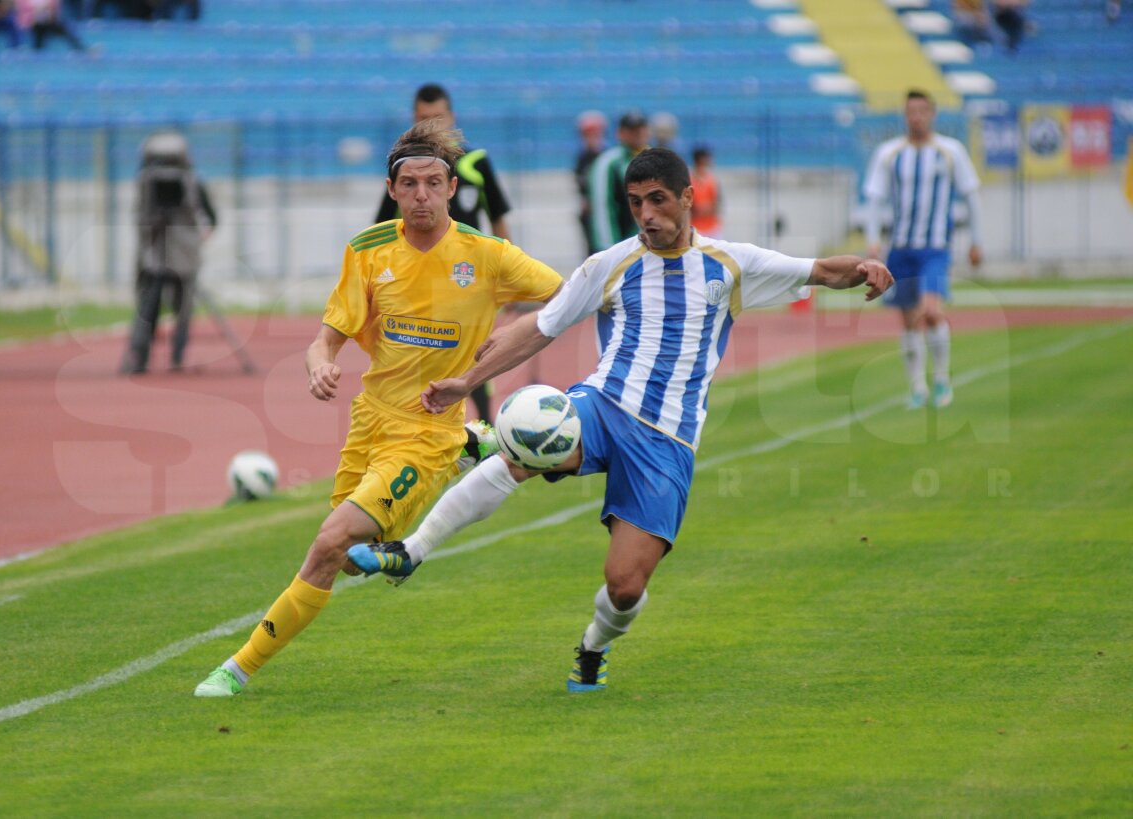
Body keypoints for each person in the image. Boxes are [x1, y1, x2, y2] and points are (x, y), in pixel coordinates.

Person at [348, 148, 893, 692]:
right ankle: (413, 549)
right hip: (603, 406)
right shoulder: (610, 265)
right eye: (635, 203)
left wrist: (866, 268)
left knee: (625, 586)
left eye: (657, 200)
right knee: (532, 435)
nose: (646, 214)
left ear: (687, 198)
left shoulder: (731, 264)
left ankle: (593, 646)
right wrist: (467, 382)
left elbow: (821, 271)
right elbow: (543, 325)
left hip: (667, 441)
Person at [193, 120, 562, 697]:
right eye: (409, 184)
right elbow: (326, 338)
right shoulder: (368, 250)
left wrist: (509, 337)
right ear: (392, 190)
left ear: (451, 187)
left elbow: (567, 296)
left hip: (426, 431)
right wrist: (319, 363)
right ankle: (470, 447)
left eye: (433, 183)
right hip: (370, 421)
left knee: (328, 541)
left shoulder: (487, 255)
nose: (421, 196)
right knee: (343, 559)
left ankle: (236, 669)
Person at [374, 82, 514, 424]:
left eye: (438, 117)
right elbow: (382, 227)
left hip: (470, 276)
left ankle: (483, 428)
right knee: (420, 352)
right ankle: (416, 422)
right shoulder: (406, 169)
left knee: (474, 351)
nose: (432, 126)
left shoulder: (475, 162)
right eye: (424, 119)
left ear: (452, 117)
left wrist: (506, 273)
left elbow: (498, 218)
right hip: (418, 278)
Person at [863, 89, 982, 410]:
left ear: (932, 114)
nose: (916, 117)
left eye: (921, 111)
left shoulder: (950, 151)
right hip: (901, 248)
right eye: (911, 112)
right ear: (905, 115)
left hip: (935, 248)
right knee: (908, 320)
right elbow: (874, 198)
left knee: (930, 311)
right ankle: (917, 386)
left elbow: (971, 194)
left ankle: (941, 379)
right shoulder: (890, 153)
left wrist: (976, 240)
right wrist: (873, 241)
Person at [119, 131, 217, 375]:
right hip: (159, 255)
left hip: (172, 254)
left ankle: (162, 355)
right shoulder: (150, 183)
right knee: (152, 306)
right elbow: (142, 217)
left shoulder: (188, 183)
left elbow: (210, 217)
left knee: (176, 307)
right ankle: (147, 355)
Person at [586, 109, 650, 252]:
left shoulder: (656, 158)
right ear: (620, 133)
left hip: (651, 246)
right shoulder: (608, 162)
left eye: (641, 128)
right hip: (623, 245)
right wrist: (608, 249)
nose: (637, 133)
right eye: (632, 130)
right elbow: (602, 205)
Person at [573, 110, 608, 256]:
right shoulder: (582, 157)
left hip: (605, 209)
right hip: (590, 212)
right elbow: (580, 182)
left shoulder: (607, 156)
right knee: (591, 250)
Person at [16, 0, 85, 51]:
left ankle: (80, 48)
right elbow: (21, 13)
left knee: (63, 28)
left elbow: (55, 12)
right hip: (31, 24)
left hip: (49, 22)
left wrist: (48, 15)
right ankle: (36, 50)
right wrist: (33, 18)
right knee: (38, 29)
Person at [689, 146, 722, 238]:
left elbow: (717, 203)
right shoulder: (689, 180)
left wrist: (706, 209)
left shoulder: (712, 180)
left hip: (712, 228)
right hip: (695, 229)